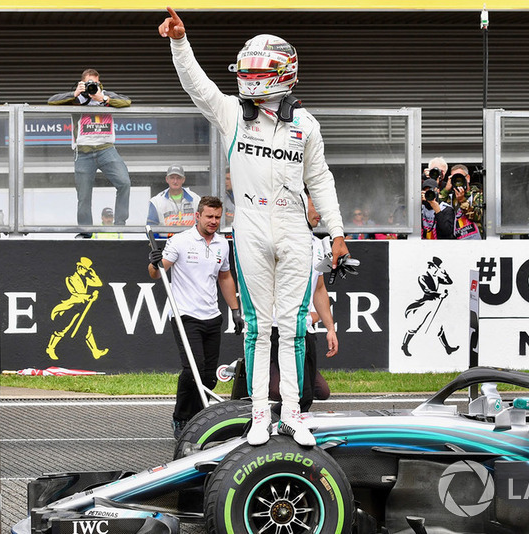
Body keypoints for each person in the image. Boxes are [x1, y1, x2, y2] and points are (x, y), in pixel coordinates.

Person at [159, 8, 351, 447]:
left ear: (282, 74)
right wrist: (179, 42)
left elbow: (320, 180)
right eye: (245, 69)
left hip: (293, 227)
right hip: (248, 225)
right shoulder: (231, 114)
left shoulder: (306, 125)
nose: (247, 77)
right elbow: (197, 85)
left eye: (256, 70)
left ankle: (295, 414)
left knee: (293, 325)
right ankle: (260, 413)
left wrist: (337, 233)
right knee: (258, 326)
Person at [148, 196, 243, 439]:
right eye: (209, 216)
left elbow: (225, 277)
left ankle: (198, 420)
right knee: (193, 371)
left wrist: (234, 310)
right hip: (185, 315)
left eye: (217, 217)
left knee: (209, 377)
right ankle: (180, 419)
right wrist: (154, 263)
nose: (213, 221)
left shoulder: (223, 244)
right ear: (197, 216)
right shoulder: (180, 241)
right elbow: (156, 274)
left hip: (212, 316)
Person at [269, 192, 337, 413]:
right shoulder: (279, 240)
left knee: (308, 395)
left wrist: (330, 329)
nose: (321, 214)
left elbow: (319, 288)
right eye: (316, 207)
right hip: (278, 327)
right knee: (296, 393)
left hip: (305, 327)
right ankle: (261, 422)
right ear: (300, 207)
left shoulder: (320, 245)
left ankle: (288, 433)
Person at [48, 69, 132, 236]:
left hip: (106, 149)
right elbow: (51, 101)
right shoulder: (76, 99)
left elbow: (127, 101)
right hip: (83, 152)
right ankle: (86, 232)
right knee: (84, 196)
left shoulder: (105, 95)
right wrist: (75, 93)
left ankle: (120, 224)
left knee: (124, 182)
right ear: (82, 84)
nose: (92, 87)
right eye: (88, 84)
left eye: (95, 83)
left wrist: (103, 98)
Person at [46, 257, 109, 361]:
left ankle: (95, 351)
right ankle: (50, 348)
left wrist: (92, 273)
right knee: (63, 329)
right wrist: (89, 296)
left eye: (87, 269)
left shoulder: (86, 279)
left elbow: (99, 283)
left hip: (81, 308)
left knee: (87, 329)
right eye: (85, 269)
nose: (86, 271)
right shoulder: (71, 279)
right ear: (79, 267)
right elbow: (77, 294)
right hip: (71, 307)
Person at [401, 257, 456, 357]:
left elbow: (449, 282)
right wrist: (439, 294)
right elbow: (427, 290)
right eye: (436, 267)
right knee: (415, 326)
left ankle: (447, 348)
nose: (437, 269)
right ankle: (405, 345)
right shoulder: (423, 277)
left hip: (434, 303)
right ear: (431, 266)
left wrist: (445, 274)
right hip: (425, 304)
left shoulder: (437, 277)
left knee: (439, 326)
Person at [441, 164, 483, 240]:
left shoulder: (477, 195)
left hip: (473, 240)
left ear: (468, 178)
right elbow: (435, 208)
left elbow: (478, 216)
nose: (458, 180)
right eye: (455, 178)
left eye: (460, 177)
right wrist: (446, 189)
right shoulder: (449, 197)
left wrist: (462, 200)